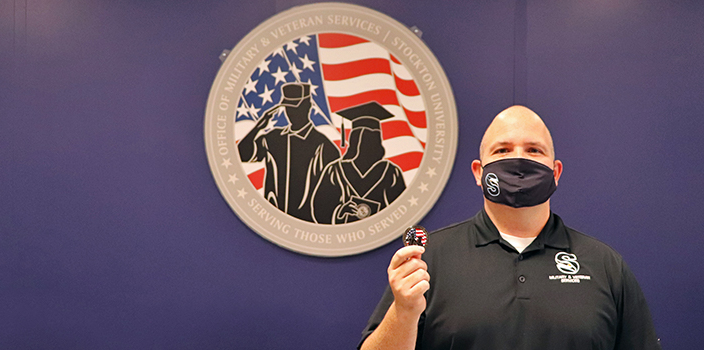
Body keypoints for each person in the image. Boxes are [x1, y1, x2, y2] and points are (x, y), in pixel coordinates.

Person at [358, 105, 661, 350]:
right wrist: (405, 312)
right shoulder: (430, 260)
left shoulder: (605, 265)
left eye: (533, 150)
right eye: (502, 150)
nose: (518, 160)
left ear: (555, 172)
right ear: (478, 172)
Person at [238, 83, 340, 222]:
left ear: (308, 106)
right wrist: (258, 128)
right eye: (287, 108)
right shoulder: (273, 137)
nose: (291, 113)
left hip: (307, 224)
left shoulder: (324, 147)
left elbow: (331, 195)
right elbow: (242, 155)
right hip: (270, 220)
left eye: (296, 108)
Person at [311, 101, 406, 224]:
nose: (367, 144)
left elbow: (402, 210)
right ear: (354, 140)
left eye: (372, 138)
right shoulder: (335, 170)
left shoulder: (391, 172)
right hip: (344, 234)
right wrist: (341, 211)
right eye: (363, 138)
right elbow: (320, 208)